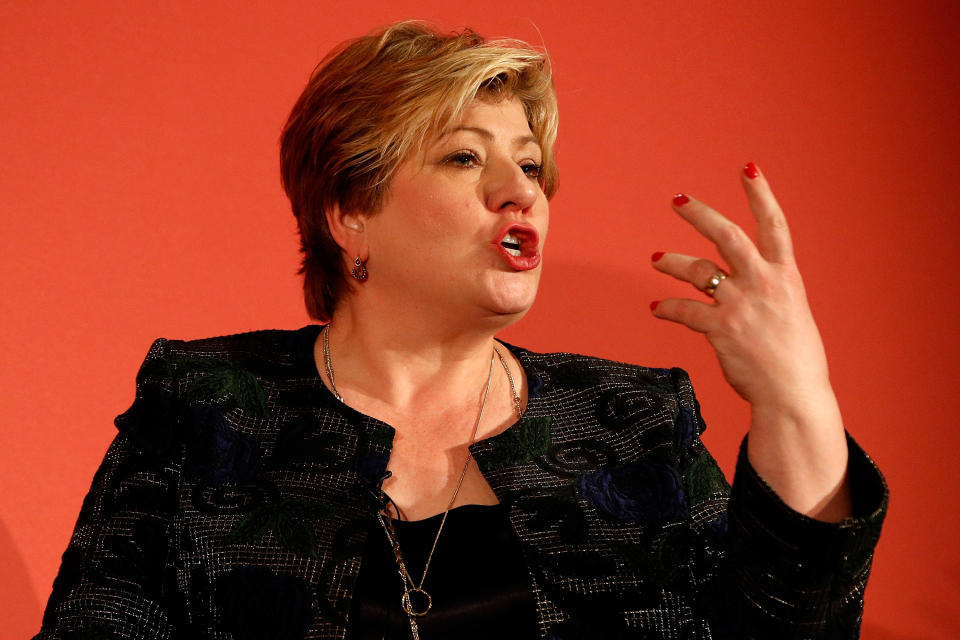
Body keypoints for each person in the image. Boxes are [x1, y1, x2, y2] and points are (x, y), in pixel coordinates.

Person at [35, 21, 887, 640]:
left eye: (529, 163)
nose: (520, 192)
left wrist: (795, 396)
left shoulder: (636, 422)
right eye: (464, 157)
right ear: (350, 213)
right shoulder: (208, 406)